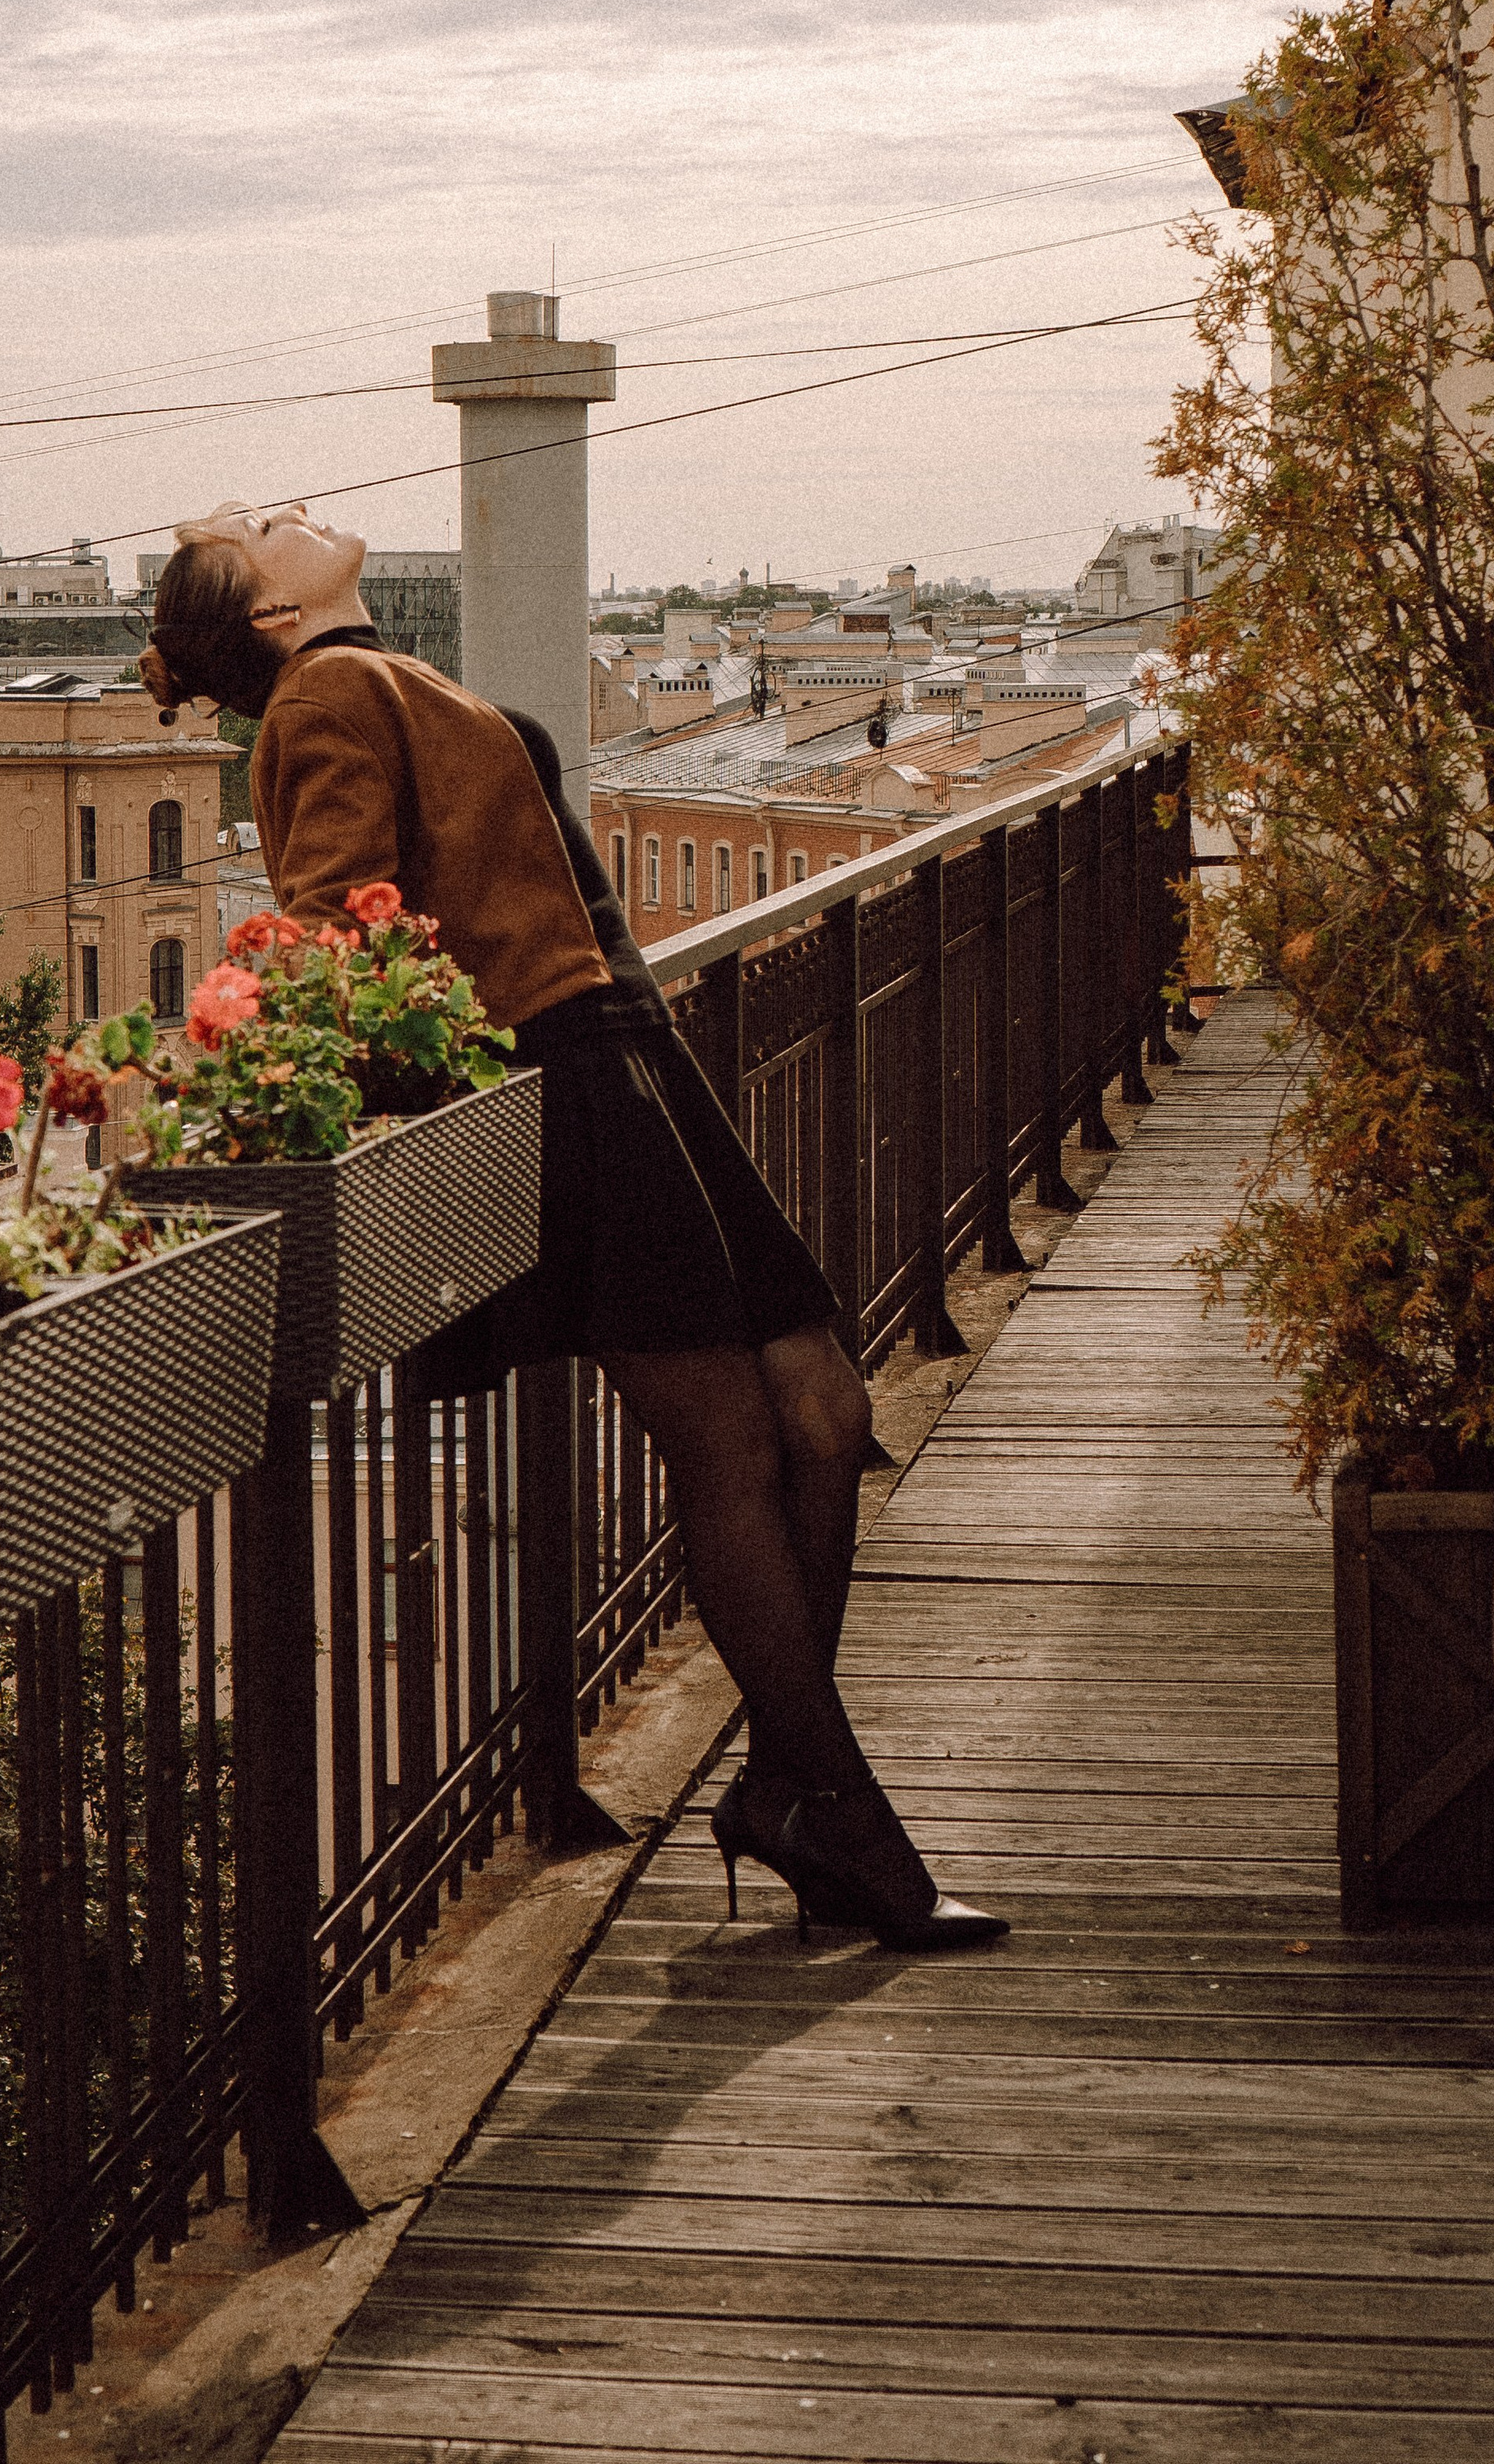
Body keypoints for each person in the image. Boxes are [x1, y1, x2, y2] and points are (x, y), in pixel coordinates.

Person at [137, 500, 1006, 1950]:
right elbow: (330, 932)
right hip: (569, 1071)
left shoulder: (377, 676)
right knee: (741, 1439)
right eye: (260, 531)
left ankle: (789, 1784)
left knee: (825, 1407)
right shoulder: (329, 690)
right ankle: (842, 1820)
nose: (277, 513)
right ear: (275, 616)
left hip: (627, 1054)